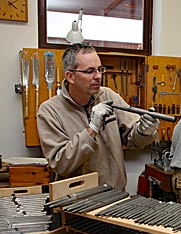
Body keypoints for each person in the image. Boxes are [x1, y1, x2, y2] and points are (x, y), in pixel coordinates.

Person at [37, 43, 159, 191]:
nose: (98, 76)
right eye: (90, 71)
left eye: (100, 69)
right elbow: (62, 164)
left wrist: (145, 131)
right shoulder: (49, 111)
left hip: (115, 196)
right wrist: (92, 129)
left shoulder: (108, 95)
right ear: (70, 76)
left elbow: (134, 140)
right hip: (76, 203)